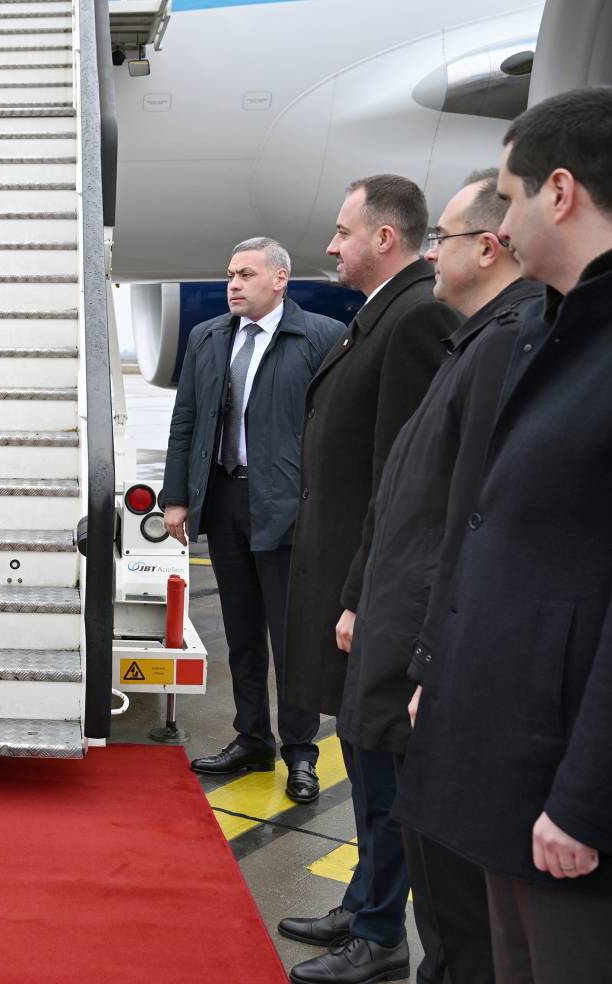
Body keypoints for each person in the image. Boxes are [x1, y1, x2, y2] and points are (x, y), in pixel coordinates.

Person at [396, 86, 612, 984]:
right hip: (506, 770)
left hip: (565, 793)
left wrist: (587, 798)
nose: (504, 220)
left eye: (512, 196)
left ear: (560, 192)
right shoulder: (548, 330)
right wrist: (438, 677)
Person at [338, 169, 541, 984]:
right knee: (440, 897)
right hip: (407, 644)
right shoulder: (472, 341)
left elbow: (473, 524)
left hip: (427, 661)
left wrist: (431, 659)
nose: (431, 255)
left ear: (487, 249)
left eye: (442, 240)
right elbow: (412, 499)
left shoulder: (499, 347)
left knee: (458, 909)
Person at [280, 175, 458, 984]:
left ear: (384, 237)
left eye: (343, 231)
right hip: (351, 579)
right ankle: (362, 903)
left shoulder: (415, 317)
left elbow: (400, 478)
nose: (331, 245)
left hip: (372, 590)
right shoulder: (382, 313)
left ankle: (382, 935)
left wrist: (358, 594)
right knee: (361, 758)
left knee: (382, 768)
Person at [161, 237, 341, 801]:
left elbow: (336, 430)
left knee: (292, 637)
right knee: (241, 632)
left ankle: (301, 752)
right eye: (230, 275)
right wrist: (177, 496)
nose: (233, 285)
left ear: (280, 279)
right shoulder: (209, 336)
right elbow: (186, 419)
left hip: (288, 507)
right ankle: (252, 739)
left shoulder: (320, 337)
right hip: (225, 499)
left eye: (246, 274)